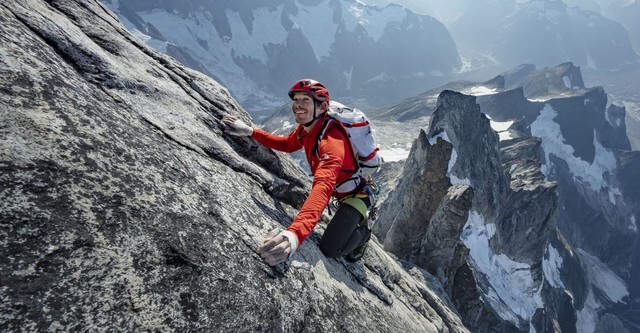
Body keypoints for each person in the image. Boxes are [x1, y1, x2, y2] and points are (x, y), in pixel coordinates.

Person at [222, 79, 374, 266]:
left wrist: (295, 234)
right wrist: (250, 131)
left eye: (306, 100)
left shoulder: (332, 141)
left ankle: (364, 234)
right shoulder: (308, 128)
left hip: (356, 196)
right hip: (341, 190)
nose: (298, 105)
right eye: (296, 99)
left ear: (323, 106)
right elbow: (286, 144)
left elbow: (323, 187)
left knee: (331, 248)